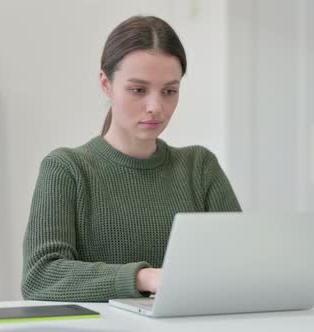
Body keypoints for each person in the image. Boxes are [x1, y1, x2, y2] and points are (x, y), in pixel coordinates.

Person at [21, 16, 241, 302]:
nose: (155, 107)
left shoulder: (199, 167)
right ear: (106, 83)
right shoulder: (67, 169)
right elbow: (41, 275)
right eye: (138, 90)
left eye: (169, 91)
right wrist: (144, 278)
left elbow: (240, 264)